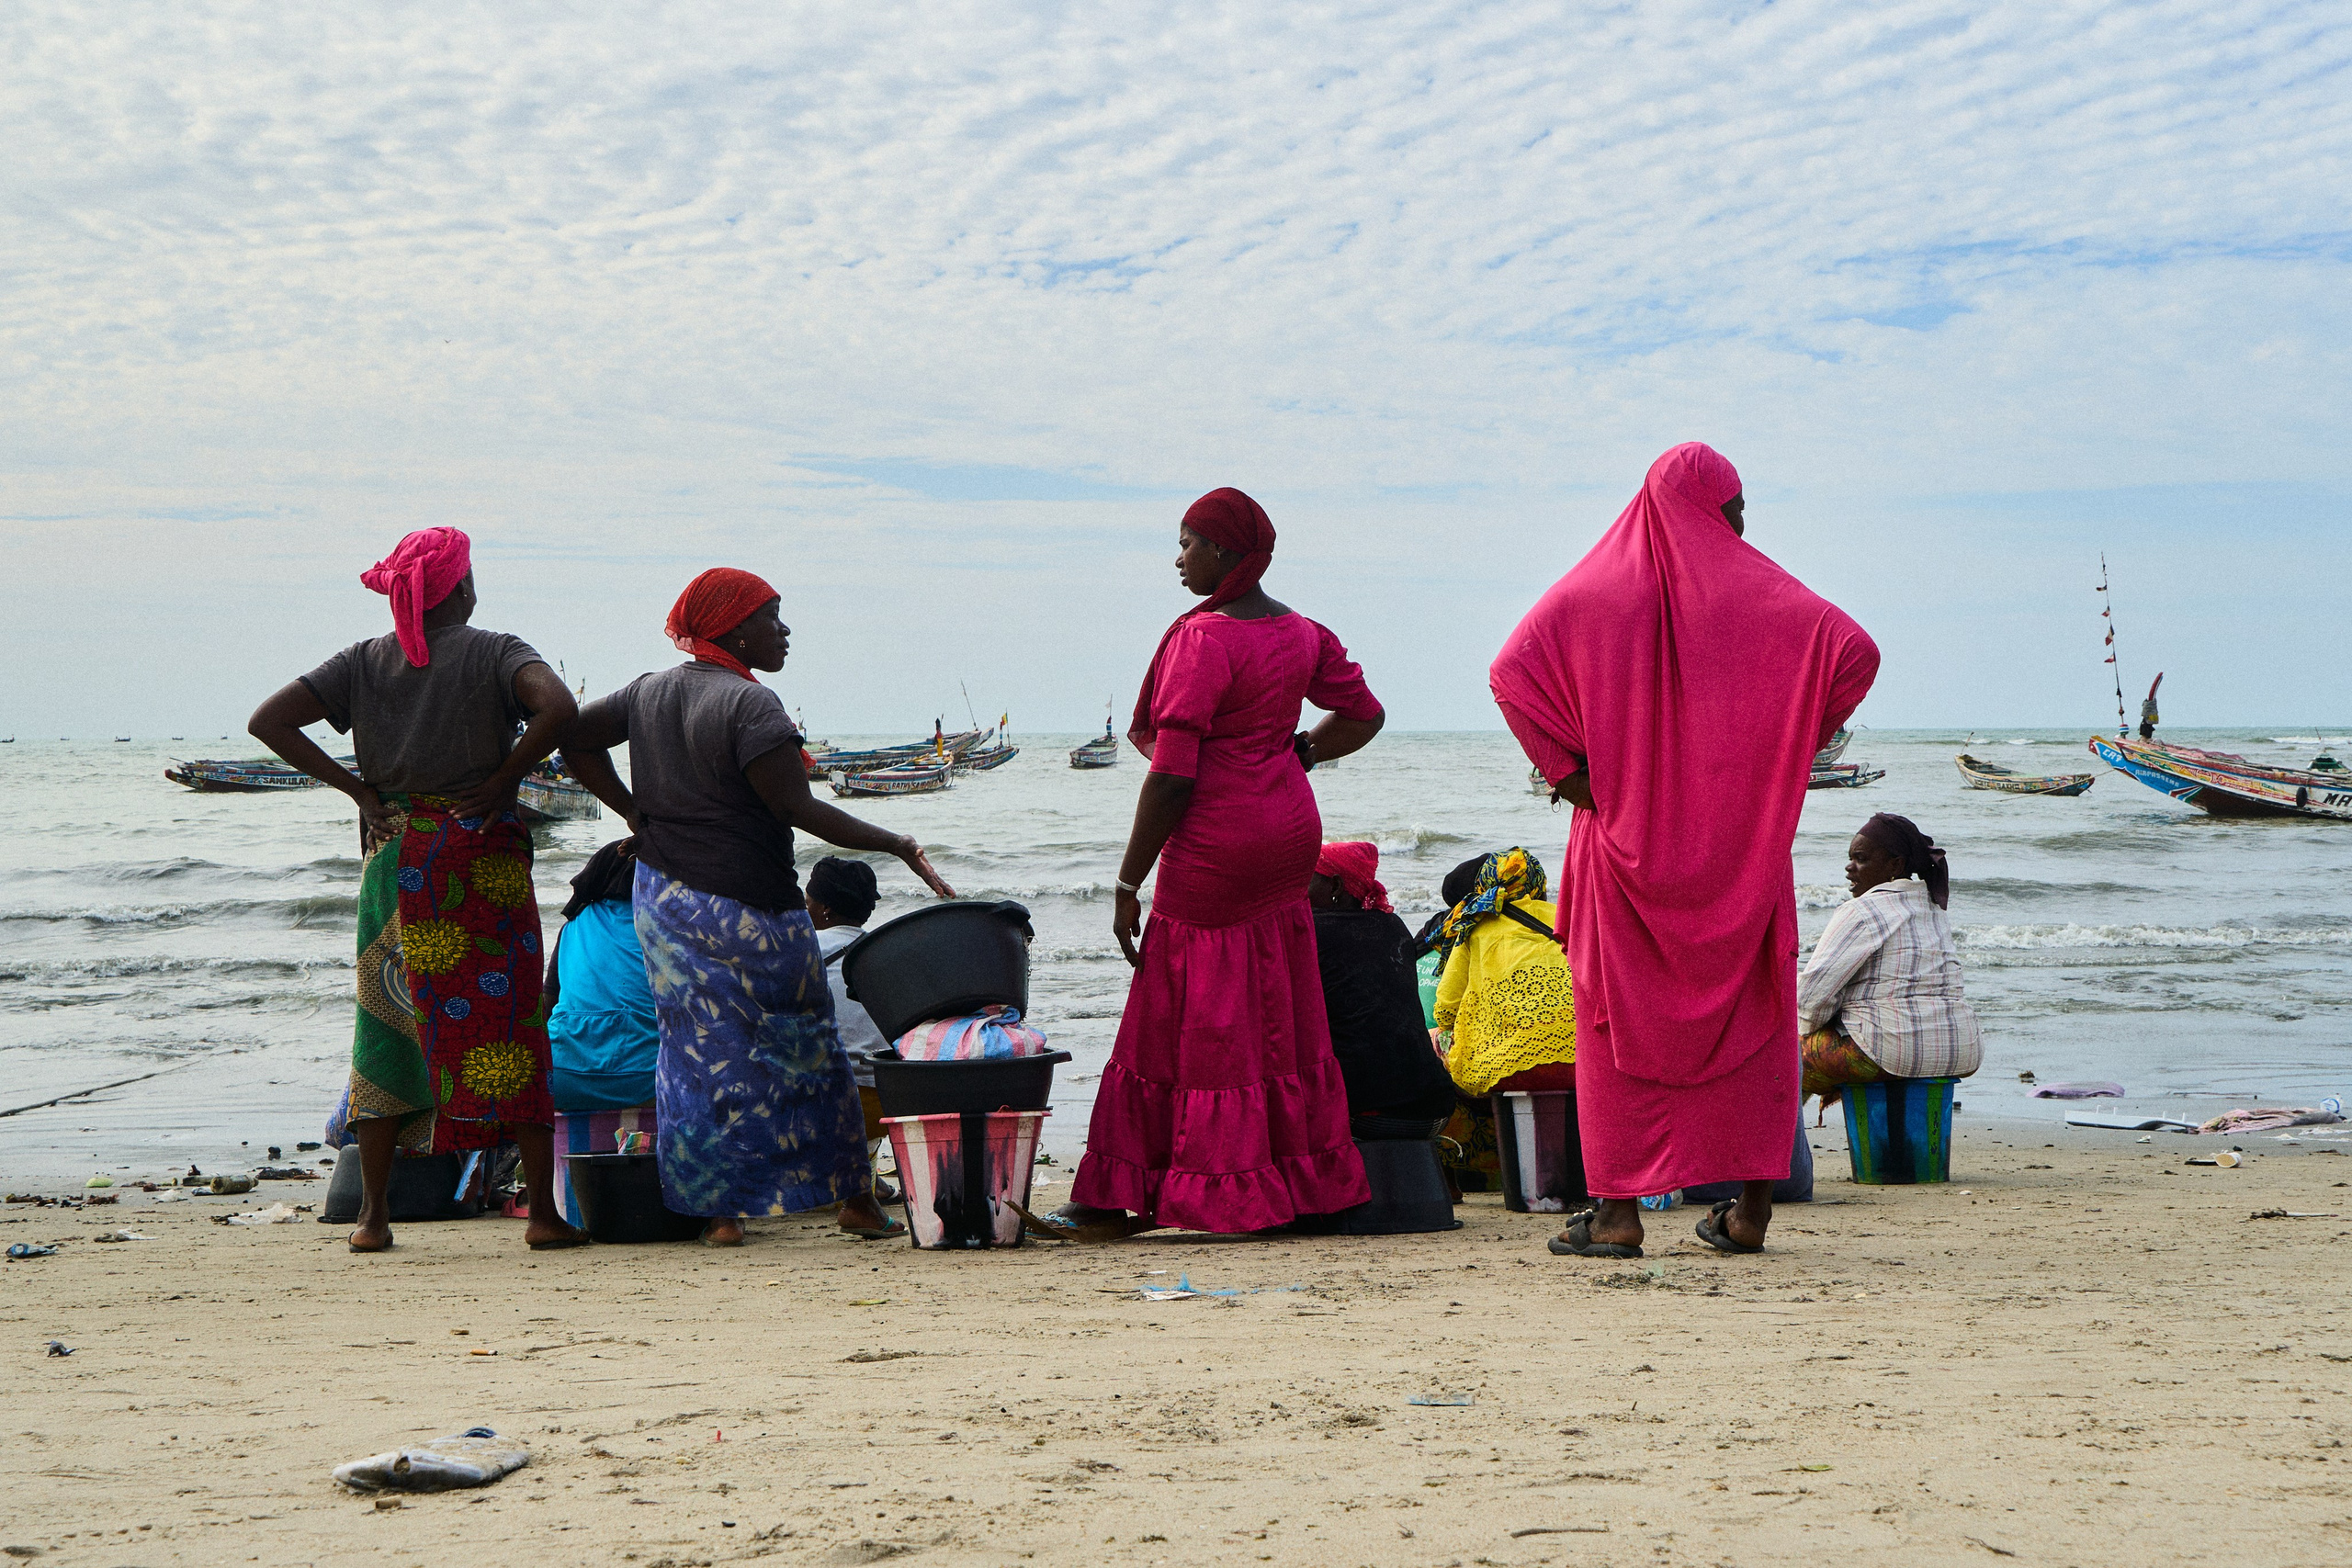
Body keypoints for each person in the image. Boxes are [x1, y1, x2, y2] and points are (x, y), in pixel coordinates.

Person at [1488, 443, 1879, 1258]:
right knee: (1755, 1020)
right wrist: (1783, 750)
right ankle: (1750, 1212)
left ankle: (1620, 1215)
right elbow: (1855, 653)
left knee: (1613, 1027)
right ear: (1711, 508)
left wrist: (1578, 778)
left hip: (1621, 849)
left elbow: (1511, 675)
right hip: (1740, 848)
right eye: (1735, 507)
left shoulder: (1591, 593)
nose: (1741, 524)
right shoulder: (1768, 600)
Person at [560, 569, 953, 1247]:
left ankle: (721, 1214)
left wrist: (636, 812)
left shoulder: (649, 690)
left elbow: (573, 736)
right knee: (806, 1042)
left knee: (694, 1050)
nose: (785, 630)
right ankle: (854, 1200)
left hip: (667, 900)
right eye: (773, 617)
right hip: (752, 907)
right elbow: (796, 807)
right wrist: (897, 841)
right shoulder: (752, 705)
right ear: (736, 628)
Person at [1048, 487, 1387, 1239]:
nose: (1178, 558)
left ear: (1227, 553)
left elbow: (1171, 776)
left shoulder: (1205, 640)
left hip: (1219, 839)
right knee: (1273, 1003)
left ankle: (1124, 1196)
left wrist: (1127, 880)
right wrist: (1300, 750)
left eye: (1189, 543)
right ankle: (1295, 1182)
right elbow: (1365, 714)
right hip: (1289, 830)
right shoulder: (1302, 633)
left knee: (1182, 1004)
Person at [246, 526, 587, 1253]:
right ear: (460, 587)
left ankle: (373, 1217)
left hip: (395, 852)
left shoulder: (363, 662)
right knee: (512, 1022)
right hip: (478, 856)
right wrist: (504, 779)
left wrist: (357, 789)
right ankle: (544, 1217)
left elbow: (267, 721)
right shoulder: (496, 649)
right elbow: (559, 706)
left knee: (387, 1021)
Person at [1798, 814, 1982, 1111]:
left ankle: (1782, 1155)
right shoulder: (1933, 908)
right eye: (1850, 859)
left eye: (1860, 859)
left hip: (1891, 1053)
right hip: (1959, 1049)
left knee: (1784, 1057)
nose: (1849, 868)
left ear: (1895, 866)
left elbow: (1809, 1001)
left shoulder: (1862, 910)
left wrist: (1816, 1028)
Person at [1306, 842, 1456, 1125]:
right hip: (1433, 1103)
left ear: (1336, 887)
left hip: (1365, 1106)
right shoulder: (1393, 925)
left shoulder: (1313, 931)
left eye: (1306, 878)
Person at [805, 854, 904, 1239]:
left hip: (817, 1107)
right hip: (886, 1104)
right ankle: (868, 1176)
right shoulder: (888, 953)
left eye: (809, 900)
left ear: (824, 908)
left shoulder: (800, 950)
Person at [1429, 848, 1577, 1098]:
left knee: (1436, 1037)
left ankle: (1481, 1133)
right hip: (1583, 1064)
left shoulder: (1475, 926)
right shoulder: (1567, 918)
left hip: (1506, 1069)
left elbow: (1446, 1009)